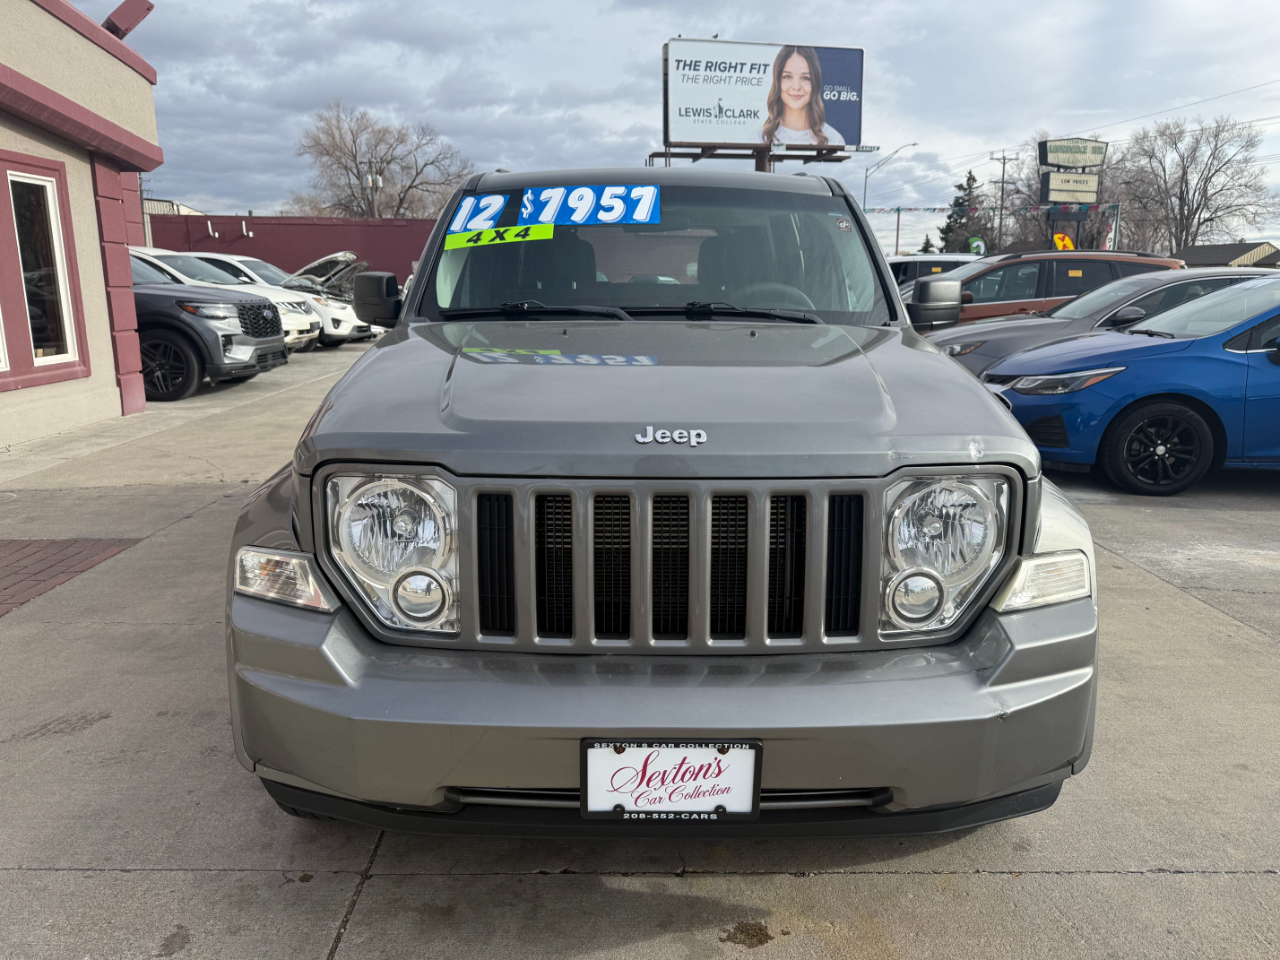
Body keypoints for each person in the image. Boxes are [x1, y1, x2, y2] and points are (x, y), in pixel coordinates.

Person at [761, 45, 843, 147]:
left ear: (815, 82)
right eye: (788, 77)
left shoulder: (833, 139)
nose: (796, 87)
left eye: (805, 78)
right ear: (777, 81)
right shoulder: (760, 137)